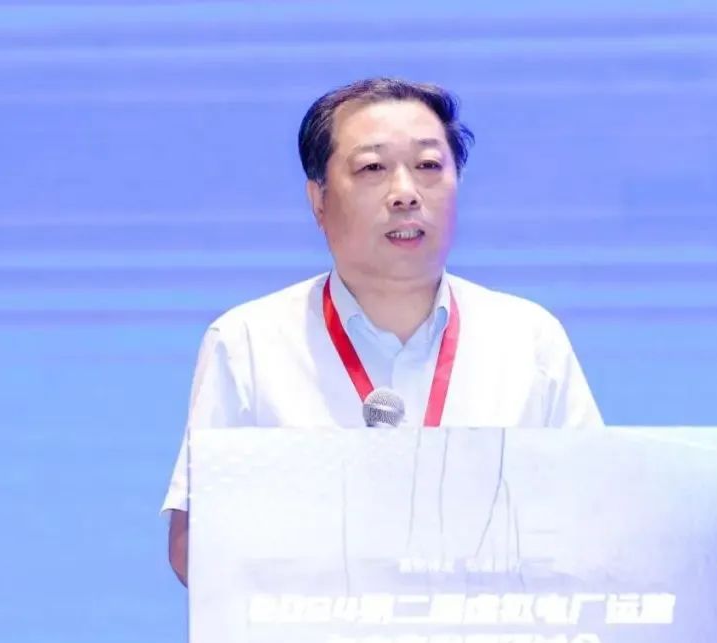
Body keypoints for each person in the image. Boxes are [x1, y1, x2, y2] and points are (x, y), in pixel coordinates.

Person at [163, 77, 603, 586]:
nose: (405, 194)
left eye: (428, 166)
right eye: (373, 168)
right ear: (319, 200)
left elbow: (594, 516)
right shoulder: (249, 342)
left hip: (487, 631)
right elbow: (194, 544)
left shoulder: (528, 339)